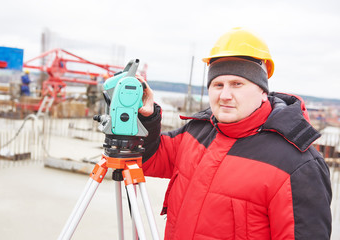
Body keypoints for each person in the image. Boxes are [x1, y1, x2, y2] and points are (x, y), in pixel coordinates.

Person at [137, 27, 332, 239]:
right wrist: (146, 117)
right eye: (218, 84)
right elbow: (147, 158)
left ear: (262, 91)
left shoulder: (297, 164)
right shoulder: (196, 132)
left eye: (237, 84)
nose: (225, 95)